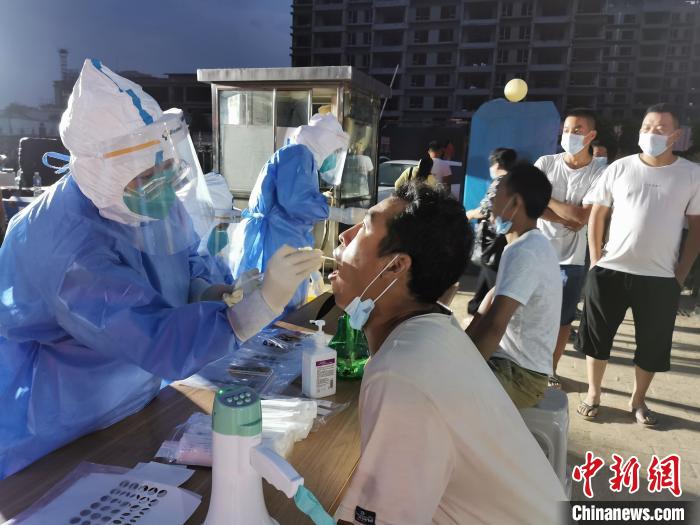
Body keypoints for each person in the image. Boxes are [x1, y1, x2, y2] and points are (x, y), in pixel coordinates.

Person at [0, 60, 323, 479]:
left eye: (166, 169)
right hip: (60, 423)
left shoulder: (143, 192)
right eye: (150, 177)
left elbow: (185, 257)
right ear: (104, 174)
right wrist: (255, 309)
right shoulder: (66, 247)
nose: (164, 187)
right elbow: (147, 334)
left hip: (143, 392)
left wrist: (211, 291)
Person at [332, 184, 565, 525]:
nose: (344, 237)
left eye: (365, 227)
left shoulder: (401, 374)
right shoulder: (435, 328)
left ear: (396, 266)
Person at [576, 103, 700, 425]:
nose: (650, 134)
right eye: (646, 127)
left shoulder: (690, 174)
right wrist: (595, 260)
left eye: (659, 129)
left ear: (676, 135)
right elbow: (598, 214)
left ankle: (638, 399)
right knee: (597, 338)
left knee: (652, 345)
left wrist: (680, 273)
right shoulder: (620, 168)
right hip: (610, 271)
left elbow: (697, 228)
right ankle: (594, 392)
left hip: (660, 277)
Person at [229, 113, 350, 313]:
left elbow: (295, 222)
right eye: (335, 151)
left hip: (278, 241)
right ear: (325, 144)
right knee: (272, 309)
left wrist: (310, 269)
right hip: (273, 241)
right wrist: (339, 214)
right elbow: (295, 201)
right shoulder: (299, 154)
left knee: (277, 307)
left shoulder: (301, 158)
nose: (334, 159)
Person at [466, 164, 562, 409]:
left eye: (496, 195)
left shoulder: (525, 251)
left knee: (440, 390)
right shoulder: (529, 244)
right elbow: (490, 304)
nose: (490, 202)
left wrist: (461, 370)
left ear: (516, 203)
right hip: (515, 367)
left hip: (521, 377)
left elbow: (496, 326)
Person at [536, 108, 606, 388]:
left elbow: (581, 218)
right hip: (539, 253)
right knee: (532, 313)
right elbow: (531, 204)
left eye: (577, 130)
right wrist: (561, 209)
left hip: (572, 260)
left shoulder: (600, 171)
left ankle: (550, 369)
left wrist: (547, 198)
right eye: (566, 129)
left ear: (591, 135)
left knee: (563, 320)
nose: (569, 135)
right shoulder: (545, 163)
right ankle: (528, 364)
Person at [465, 148, 517, 315]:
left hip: (494, 238)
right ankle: (476, 306)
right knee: (487, 269)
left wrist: (470, 214)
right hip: (505, 235)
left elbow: (488, 210)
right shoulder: (514, 181)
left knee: (492, 272)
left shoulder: (500, 181)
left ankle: (492, 312)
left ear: (498, 163)